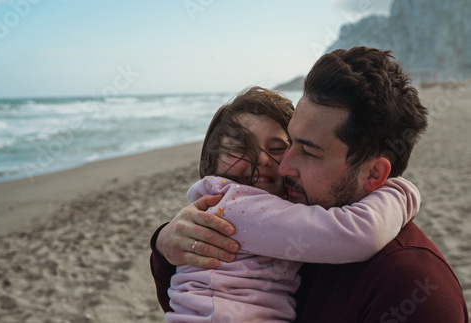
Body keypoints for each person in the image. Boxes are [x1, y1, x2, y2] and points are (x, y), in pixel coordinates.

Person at [151, 47, 469, 321]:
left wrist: (402, 192)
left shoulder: (413, 291)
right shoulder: (298, 221)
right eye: (290, 143)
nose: (284, 166)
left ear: (374, 175)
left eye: (309, 152)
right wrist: (165, 245)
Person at [165, 87, 420, 322]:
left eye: (277, 149)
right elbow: (358, 233)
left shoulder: (273, 209)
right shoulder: (233, 207)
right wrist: (400, 190)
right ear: (212, 158)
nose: (262, 159)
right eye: (240, 147)